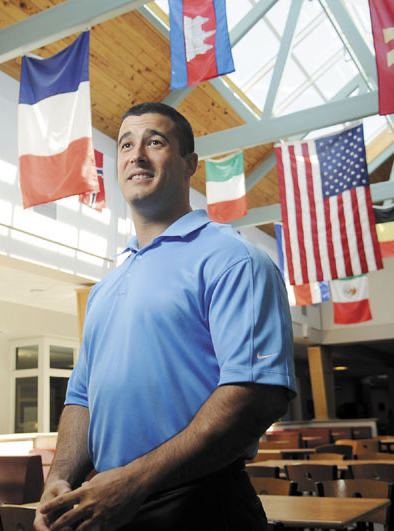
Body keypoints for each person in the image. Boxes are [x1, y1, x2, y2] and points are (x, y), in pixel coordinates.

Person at [35, 102, 295, 531]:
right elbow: (80, 400)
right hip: (106, 505)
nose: (136, 155)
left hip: (202, 505)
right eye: (125, 145)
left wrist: (133, 482)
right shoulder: (103, 291)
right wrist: (58, 478)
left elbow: (256, 395)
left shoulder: (234, 260)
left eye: (155, 142)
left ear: (189, 164)